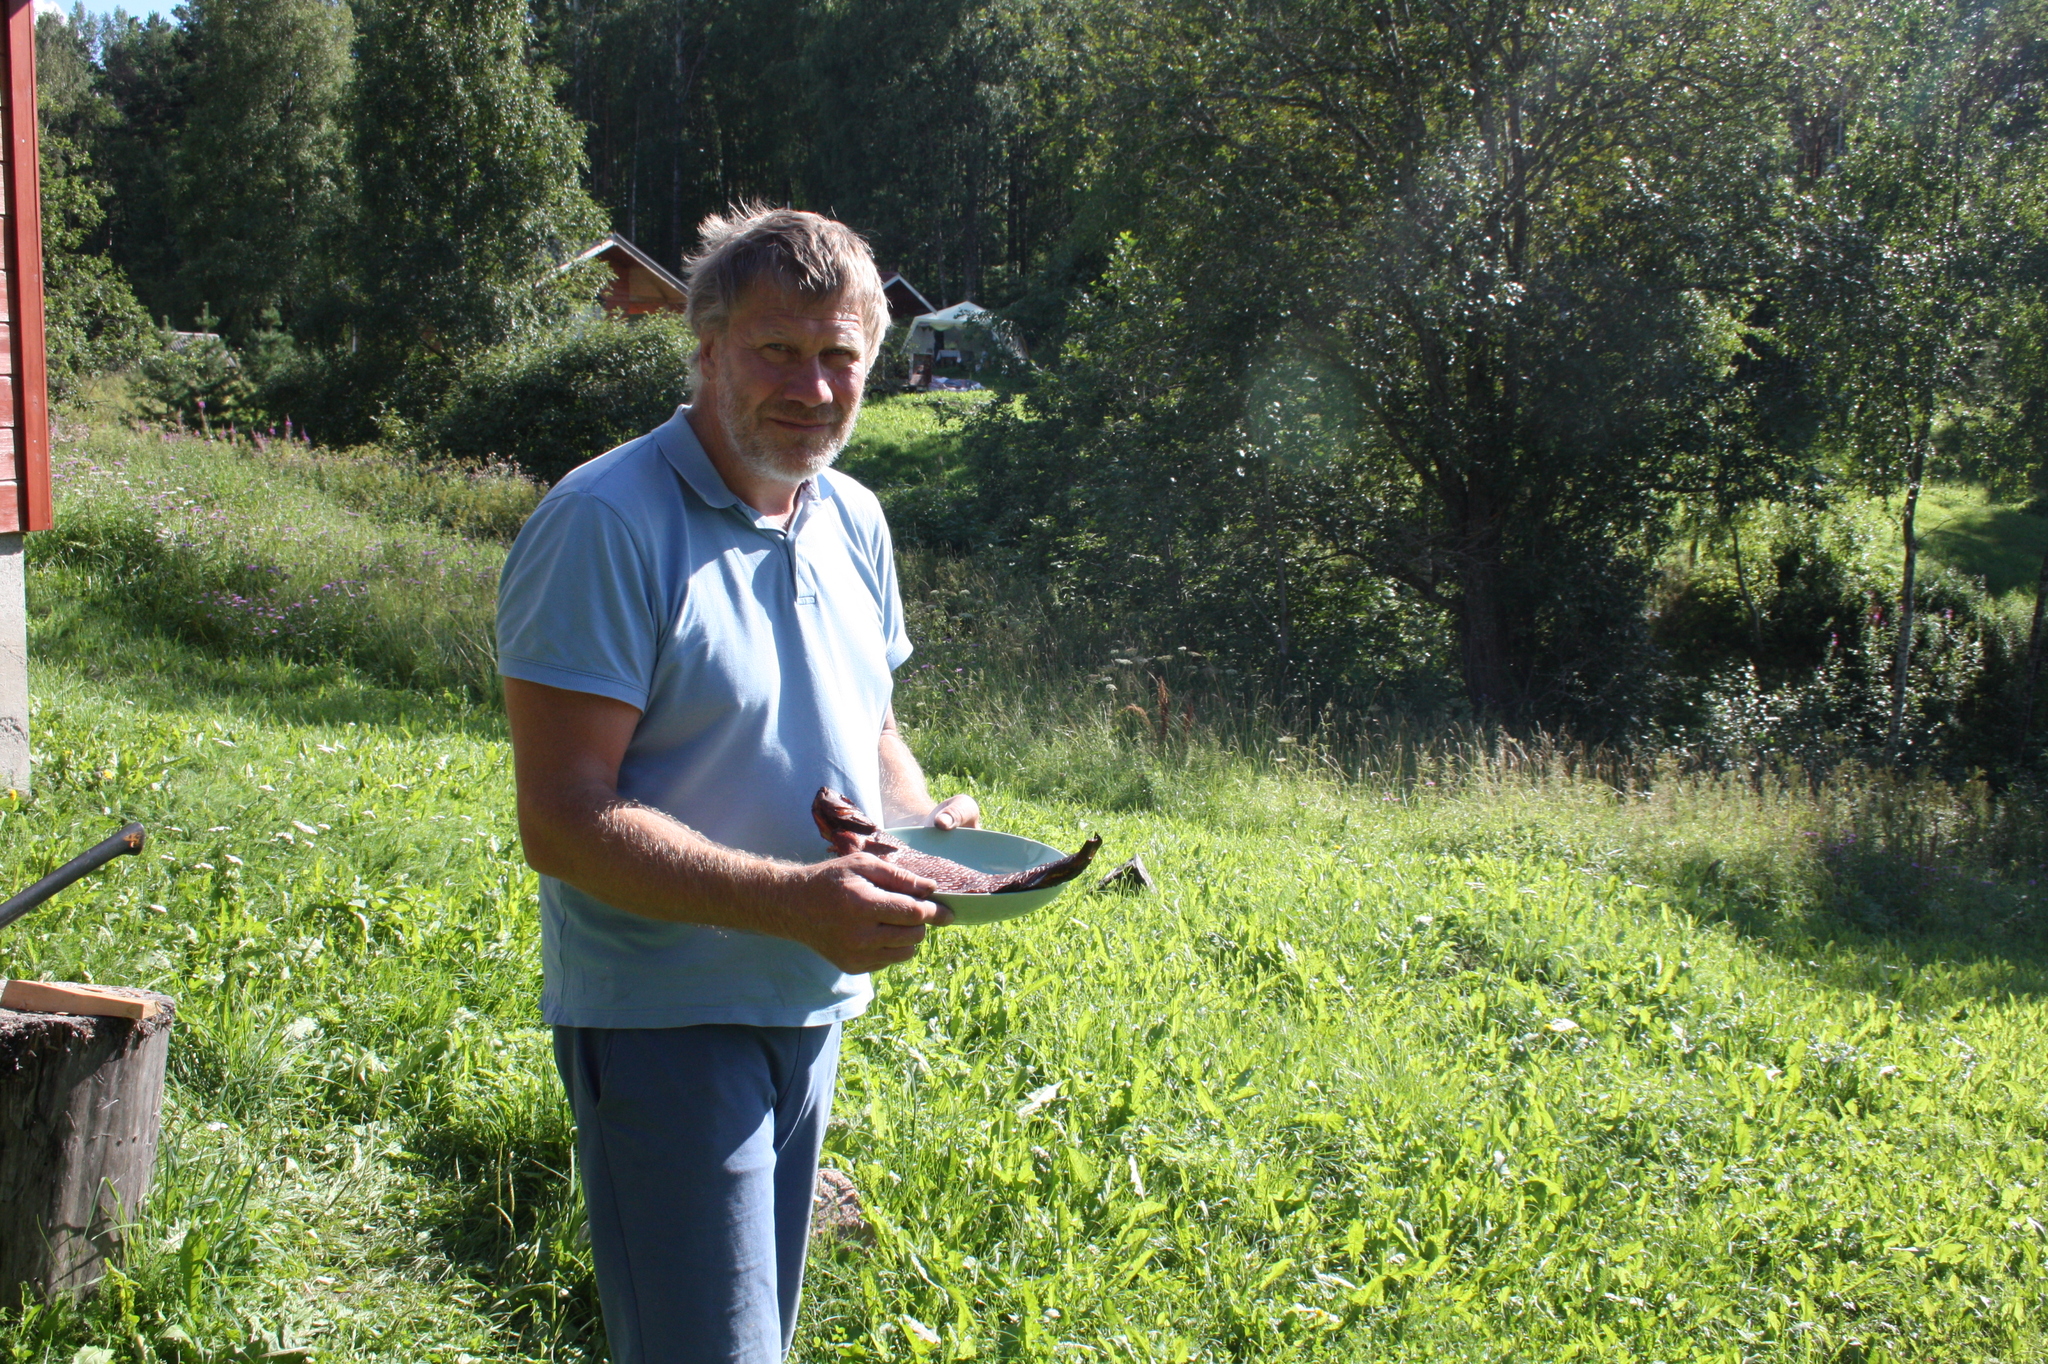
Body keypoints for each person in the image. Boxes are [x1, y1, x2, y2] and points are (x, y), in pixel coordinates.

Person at [495, 205, 979, 1364]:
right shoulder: (604, 523)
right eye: (776, 349)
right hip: (664, 1010)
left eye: (838, 355)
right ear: (705, 349)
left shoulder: (852, 519)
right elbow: (561, 819)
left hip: (807, 1002)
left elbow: (865, 725)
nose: (812, 388)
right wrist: (788, 899)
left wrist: (921, 829)